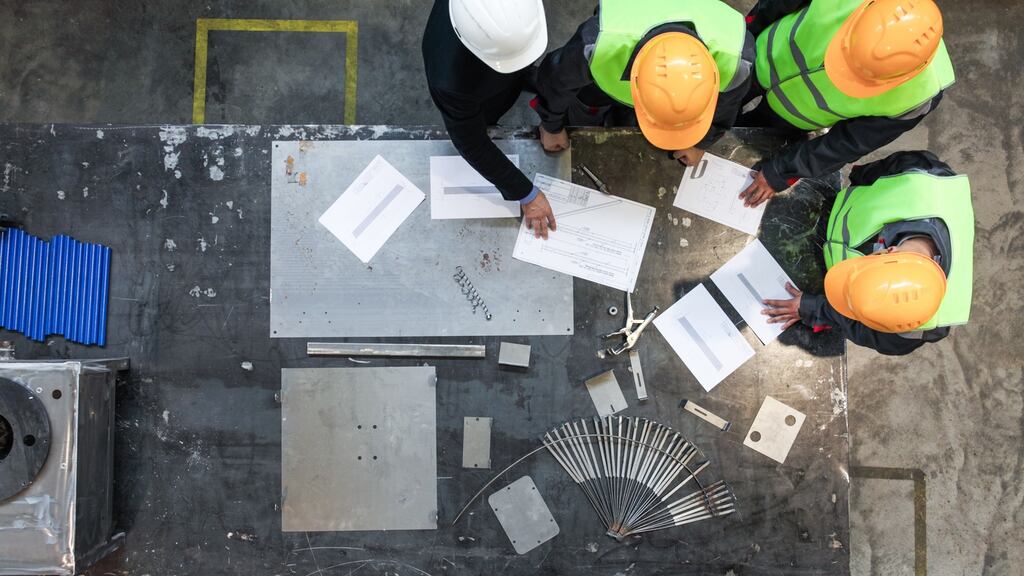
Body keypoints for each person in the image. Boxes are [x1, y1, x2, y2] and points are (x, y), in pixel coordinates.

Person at [737, 0, 955, 207]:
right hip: (761, 54)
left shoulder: (920, 95)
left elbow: (846, 144)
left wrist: (781, 172)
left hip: (793, 115)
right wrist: (743, 39)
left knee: (745, 138)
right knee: (722, 107)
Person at [762, 151, 973, 356]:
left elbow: (866, 329)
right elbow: (871, 173)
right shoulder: (921, 175)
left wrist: (814, 308)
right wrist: (857, 179)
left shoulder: (916, 326)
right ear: (888, 250)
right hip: (828, 208)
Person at [532, 0, 755, 166]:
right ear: (633, 79)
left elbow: (725, 108)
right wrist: (552, 126)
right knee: (584, 113)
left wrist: (699, 142)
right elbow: (554, 81)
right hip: (598, 85)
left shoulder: (737, 60)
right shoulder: (598, 45)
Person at [422, 0, 557, 238]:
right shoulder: (450, 80)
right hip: (479, 87)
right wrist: (526, 193)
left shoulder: (512, 13)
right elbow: (471, 142)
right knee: (488, 116)